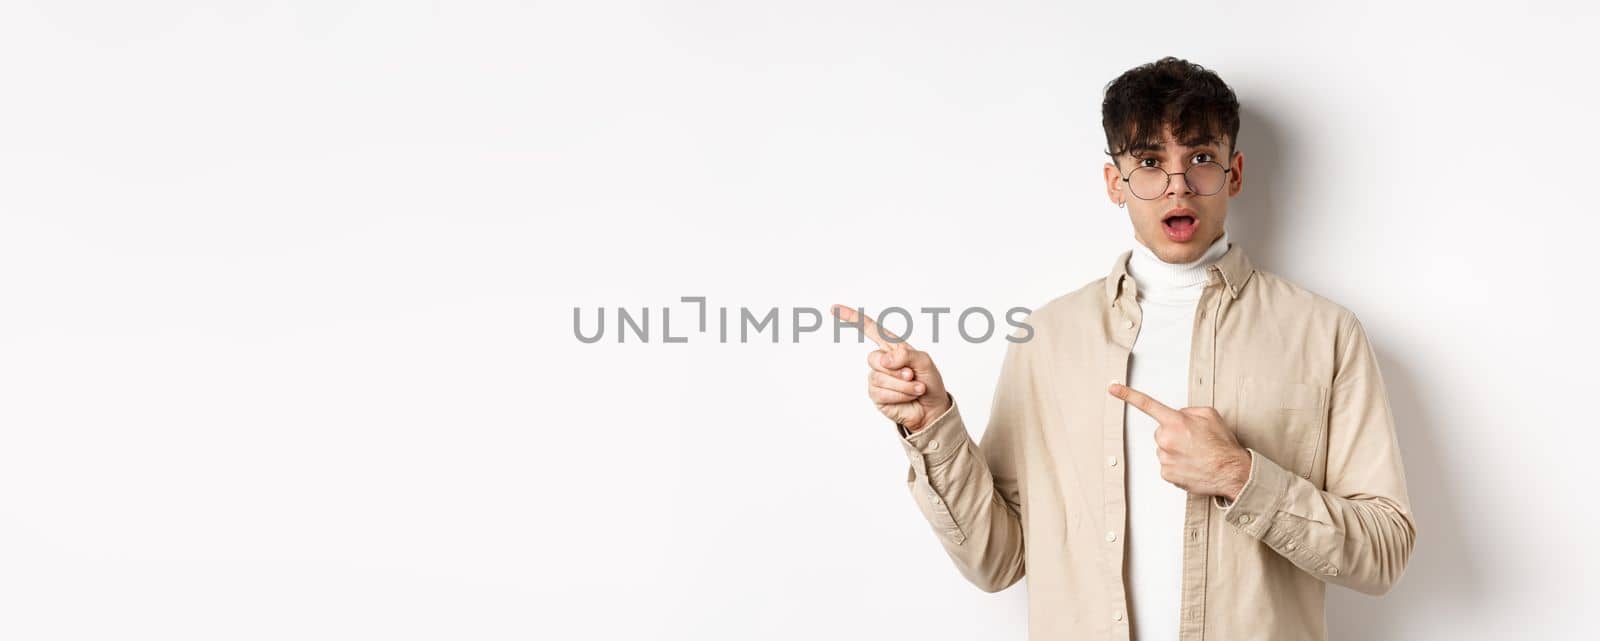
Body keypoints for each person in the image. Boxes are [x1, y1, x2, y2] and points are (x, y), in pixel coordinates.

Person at [830, 56, 1416, 641]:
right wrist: (933, 424)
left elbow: (1384, 552)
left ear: (1234, 174)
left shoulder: (1324, 333)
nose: (1178, 185)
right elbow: (996, 560)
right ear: (1116, 182)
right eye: (1150, 163)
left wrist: (1239, 476)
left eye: (1201, 159)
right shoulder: (1048, 340)